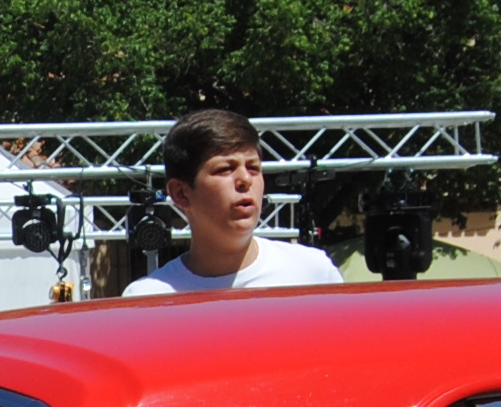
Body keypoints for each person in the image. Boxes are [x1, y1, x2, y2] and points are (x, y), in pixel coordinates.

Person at [116, 109, 344, 298]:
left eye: (253, 168)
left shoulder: (313, 273)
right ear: (181, 193)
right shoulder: (148, 298)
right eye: (225, 169)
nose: (245, 179)